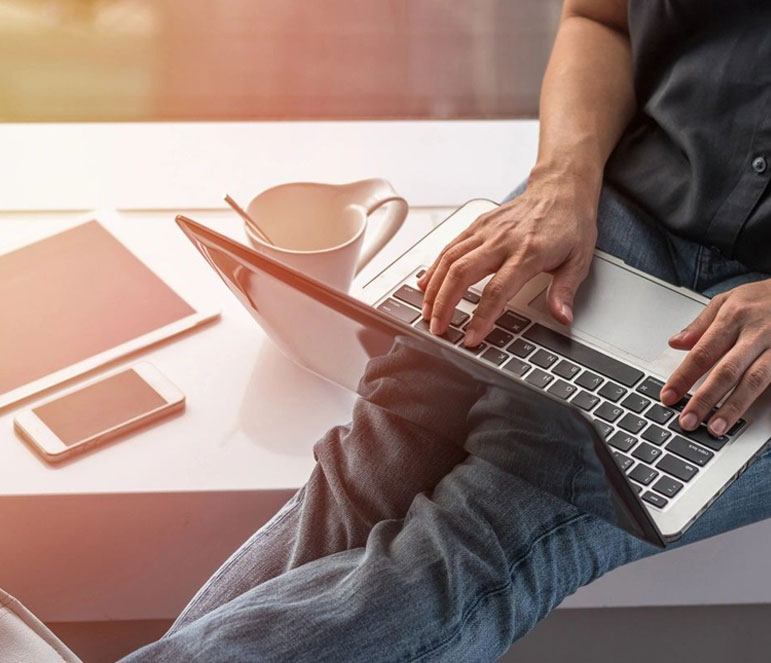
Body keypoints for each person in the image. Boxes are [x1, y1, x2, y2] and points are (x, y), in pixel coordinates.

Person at [121, 1, 771, 660]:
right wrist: (557, 182)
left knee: (498, 525)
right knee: (383, 448)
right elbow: (598, 18)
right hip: (616, 208)